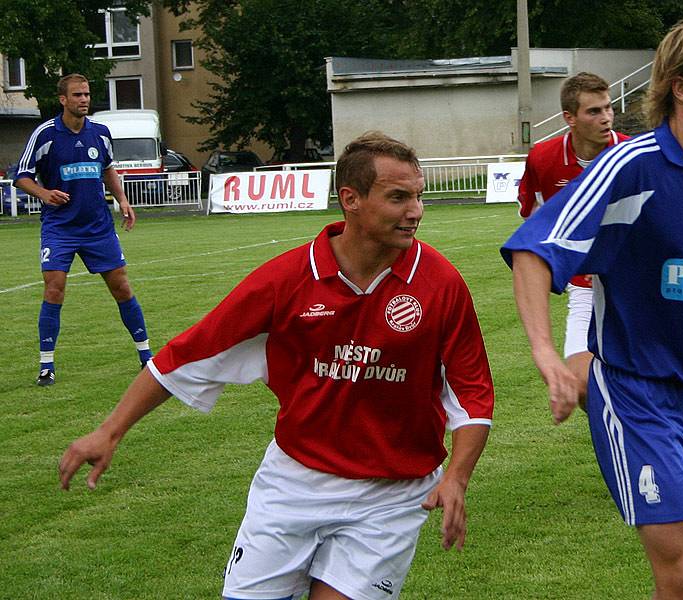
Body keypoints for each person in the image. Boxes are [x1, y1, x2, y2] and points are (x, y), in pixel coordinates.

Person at [58, 132, 494, 600]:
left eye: (418, 196)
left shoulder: (439, 282)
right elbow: (188, 354)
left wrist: (457, 477)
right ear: (351, 199)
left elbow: (472, 391)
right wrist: (110, 431)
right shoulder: (286, 280)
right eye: (398, 197)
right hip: (294, 484)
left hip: (391, 495)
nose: (416, 211)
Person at [502, 16, 683, 600]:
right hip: (638, 390)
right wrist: (548, 355)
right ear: (681, 86)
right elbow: (532, 251)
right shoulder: (629, 167)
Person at [14, 73, 152, 386]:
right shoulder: (45, 134)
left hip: (98, 227)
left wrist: (123, 201)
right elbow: (22, 176)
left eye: (87, 94)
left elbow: (107, 169)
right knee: (54, 289)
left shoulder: (101, 133)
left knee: (122, 287)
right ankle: (46, 366)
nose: (84, 100)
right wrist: (45, 194)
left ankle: (146, 357)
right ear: (63, 100)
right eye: (77, 95)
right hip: (60, 227)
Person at [517, 72, 629, 402]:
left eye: (608, 108)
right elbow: (533, 222)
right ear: (570, 118)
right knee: (580, 389)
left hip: (634, 286)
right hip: (582, 286)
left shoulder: (630, 154)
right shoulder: (543, 158)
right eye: (594, 111)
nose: (606, 117)